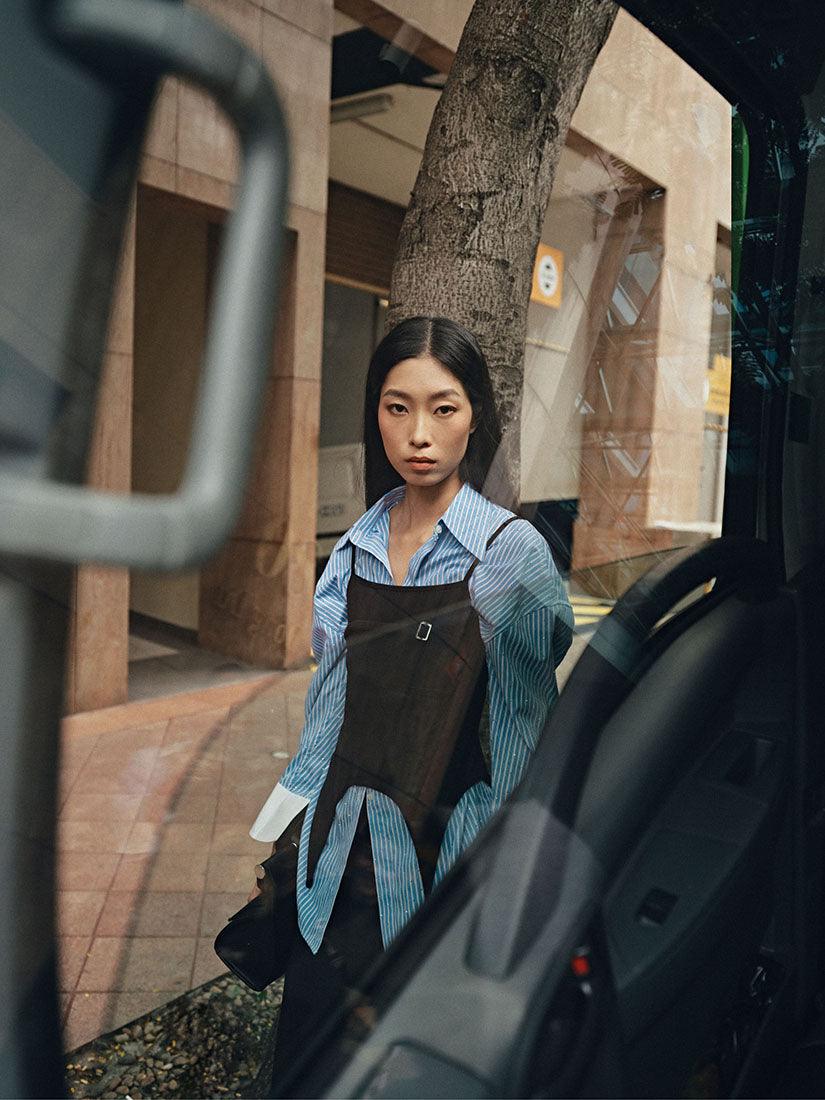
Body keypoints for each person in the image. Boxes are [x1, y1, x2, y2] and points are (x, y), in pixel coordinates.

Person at [247, 315, 573, 1094]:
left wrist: (503, 878)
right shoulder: (352, 546)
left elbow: (524, 727)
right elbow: (328, 715)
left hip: (445, 865)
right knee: (316, 1062)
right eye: (397, 408)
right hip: (335, 864)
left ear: (475, 416)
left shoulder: (509, 552)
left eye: (443, 408)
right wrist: (282, 830)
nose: (417, 433)